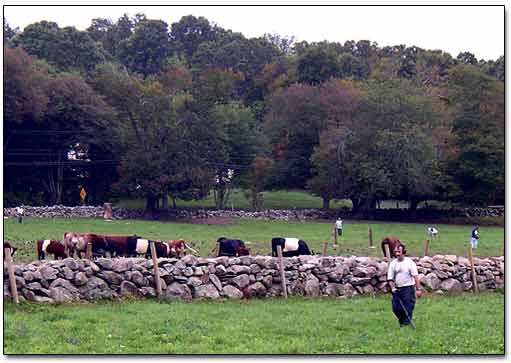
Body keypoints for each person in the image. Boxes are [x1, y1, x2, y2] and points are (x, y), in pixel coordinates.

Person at [387, 244, 422, 327]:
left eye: (399, 251)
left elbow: (415, 276)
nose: (397, 253)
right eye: (396, 252)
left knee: (408, 308)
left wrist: (418, 289)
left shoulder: (409, 263)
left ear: (403, 252)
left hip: (408, 289)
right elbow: (390, 278)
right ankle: (402, 322)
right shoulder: (393, 263)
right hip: (397, 289)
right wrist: (392, 288)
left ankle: (406, 325)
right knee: (396, 308)